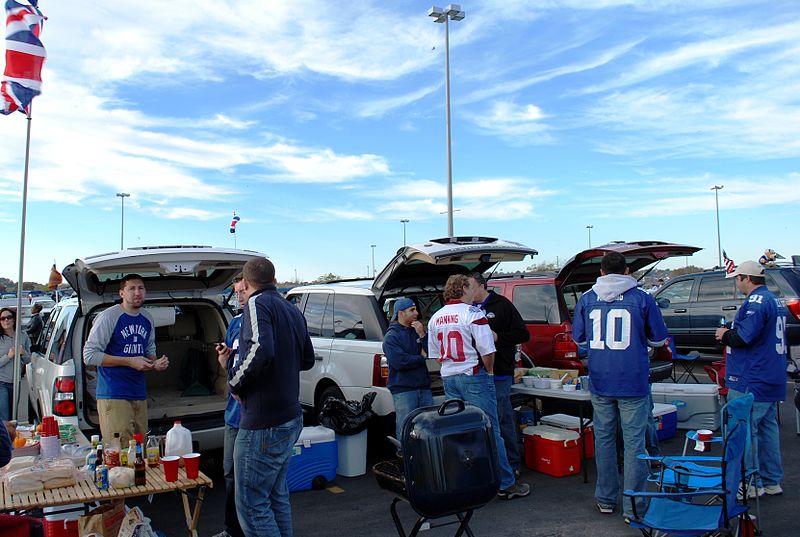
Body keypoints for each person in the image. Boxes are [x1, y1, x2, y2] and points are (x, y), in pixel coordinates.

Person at [572, 252, 668, 519]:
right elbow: (659, 339)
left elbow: (579, 339)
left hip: (601, 380)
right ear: (627, 271)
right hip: (633, 380)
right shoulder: (642, 298)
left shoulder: (587, 298)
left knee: (603, 440)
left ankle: (605, 498)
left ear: (601, 272)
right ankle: (634, 506)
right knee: (634, 443)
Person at [229, 257, 315, 537]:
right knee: (276, 495)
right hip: (290, 415)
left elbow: (261, 348)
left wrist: (235, 383)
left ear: (246, 282)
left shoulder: (256, 303)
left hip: (263, 422)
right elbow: (307, 359)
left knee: (252, 505)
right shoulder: (291, 309)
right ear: (274, 279)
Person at [427, 274, 530, 500]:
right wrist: (489, 371)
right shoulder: (473, 313)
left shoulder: (435, 317)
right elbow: (487, 350)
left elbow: (435, 355)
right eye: (470, 288)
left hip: (449, 377)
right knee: (491, 430)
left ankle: (465, 480)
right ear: (463, 289)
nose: (474, 292)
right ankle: (506, 483)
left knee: (459, 431)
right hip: (473, 376)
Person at [715, 260, 787, 497]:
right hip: (771, 374)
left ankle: (749, 482)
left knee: (744, 430)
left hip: (752, 376)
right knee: (767, 428)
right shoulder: (774, 300)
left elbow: (744, 337)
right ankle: (771, 480)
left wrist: (725, 334)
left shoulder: (757, 301)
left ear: (746, 278)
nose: (737, 283)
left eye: (738, 278)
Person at [83, 275, 170, 446]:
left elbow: (149, 349)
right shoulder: (109, 317)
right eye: (132, 288)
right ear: (122, 293)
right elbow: (89, 355)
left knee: (140, 450)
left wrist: (155, 363)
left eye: (141, 288)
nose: (137, 292)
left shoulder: (147, 318)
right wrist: (129, 361)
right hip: (114, 394)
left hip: (139, 393)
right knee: (120, 452)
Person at [467, 272, 530, 476]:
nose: (467, 291)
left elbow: (523, 334)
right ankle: (488, 463)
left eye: (470, 287)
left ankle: (512, 463)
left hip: (499, 372)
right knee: (480, 420)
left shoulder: (502, 305)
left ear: (482, 286)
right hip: (474, 374)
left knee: (502, 417)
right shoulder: (466, 309)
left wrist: (497, 337)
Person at [212, 275, 248, 537]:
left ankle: (251, 530)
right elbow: (230, 363)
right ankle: (232, 529)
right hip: (233, 415)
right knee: (230, 474)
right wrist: (224, 357)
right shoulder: (235, 322)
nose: (240, 296)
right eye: (237, 292)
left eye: (243, 290)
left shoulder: (265, 323)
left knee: (252, 480)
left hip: (254, 417)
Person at [383, 297, 432, 445]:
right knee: (406, 427)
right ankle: (405, 459)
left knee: (428, 426)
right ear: (401, 313)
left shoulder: (417, 330)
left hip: (423, 387)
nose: (416, 313)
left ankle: (427, 458)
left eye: (416, 309)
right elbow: (400, 362)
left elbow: (430, 352)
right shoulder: (392, 336)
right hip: (404, 389)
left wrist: (422, 335)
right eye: (412, 310)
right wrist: (420, 358)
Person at [0, 307, 31, 421]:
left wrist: (23, 354)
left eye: (9, 317)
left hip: (16, 382)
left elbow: (28, 360)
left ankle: (13, 438)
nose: (6, 321)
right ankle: (4, 439)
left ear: (14, 320)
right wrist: (8, 357)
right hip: (1, 382)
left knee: (14, 417)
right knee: (5, 416)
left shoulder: (23, 336)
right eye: (2, 318)